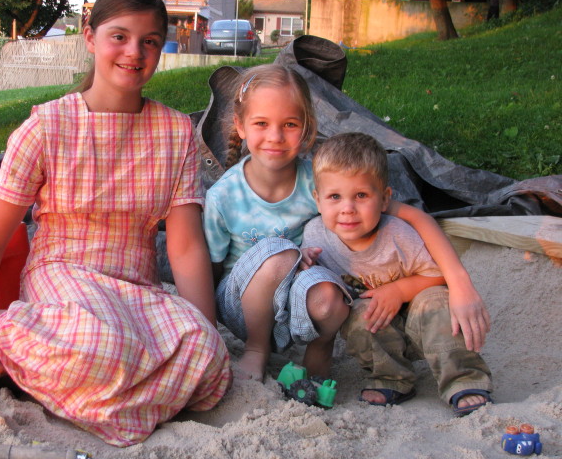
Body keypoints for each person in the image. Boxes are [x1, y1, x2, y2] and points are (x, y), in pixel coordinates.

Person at [0, 0, 231, 447]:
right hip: (64, 277)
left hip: (135, 285)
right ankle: (4, 323)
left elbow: (184, 246)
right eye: (119, 36)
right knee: (97, 345)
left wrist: (206, 327)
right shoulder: (47, 126)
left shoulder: (175, 130)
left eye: (149, 40)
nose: (134, 52)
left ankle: (91, 391)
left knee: (206, 356)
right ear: (90, 37)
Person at [203, 64, 491, 386]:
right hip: (244, 308)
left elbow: (412, 215)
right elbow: (211, 269)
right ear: (240, 126)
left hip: (301, 302)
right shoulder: (223, 196)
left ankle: (321, 344)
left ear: (307, 129)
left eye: (289, 124)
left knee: (329, 292)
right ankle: (257, 351)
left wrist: (459, 281)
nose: (275, 136)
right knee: (280, 251)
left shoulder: (325, 181)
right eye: (261, 123)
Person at [301, 132, 493, 416]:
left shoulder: (397, 234)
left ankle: (463, 379)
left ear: (384, 198)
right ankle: (391, 378)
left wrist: (398, 291)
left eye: (361, 195)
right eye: (335, 196)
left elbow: (437, 275)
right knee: (357, 315)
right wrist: (302, 262)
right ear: (318, 200)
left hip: (421, 321)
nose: (347, 209)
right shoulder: (315, 236)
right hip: (380, 326)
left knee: (439, 301)